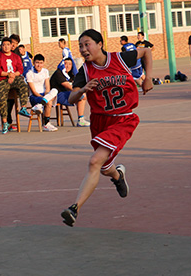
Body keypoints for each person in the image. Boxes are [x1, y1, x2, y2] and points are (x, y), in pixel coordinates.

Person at [60, 29, 153, 227]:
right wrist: (82, 90)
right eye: (80, 46)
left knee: (94, 161)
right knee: (103, 167)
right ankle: (118, 176)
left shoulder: (120, 58)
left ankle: (74, 208)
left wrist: (148, 77)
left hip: (123, 120)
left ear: (100, 44)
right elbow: (71, 98)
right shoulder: (85, 71)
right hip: (100, 122)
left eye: (87, 44)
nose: (83, 49)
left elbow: (146, 51)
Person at [0, 37, 32, 134]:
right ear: (1, 46)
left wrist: (13, 75)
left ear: (11, 46)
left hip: (14, 77)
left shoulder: (16, 57)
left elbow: (20, 69)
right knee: (2, 101)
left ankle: (23, 108)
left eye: (8, 45)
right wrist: (8, 74)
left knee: (23, 85)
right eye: (4, 45)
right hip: (2, 80)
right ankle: (5, 122)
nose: (6, 47)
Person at [49, 58, 90, 127]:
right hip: (57, 95)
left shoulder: (70, 74)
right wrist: (80, 91)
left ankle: (81, 119)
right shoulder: (58, 73)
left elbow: (76, 85)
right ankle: (80, 120)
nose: (68, 66)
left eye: (70, 64)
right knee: (82, 95)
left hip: (66, 93)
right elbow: (69, 87)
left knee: (82, 95)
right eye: (65, 64)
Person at [25, 54, 58, 132]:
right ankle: (46, 123)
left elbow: (47, 87)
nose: (39, 65)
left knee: (55, 90)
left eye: (41, 63)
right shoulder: (29, 73)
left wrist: (46, 95)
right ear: (33, 63)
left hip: (45, 95)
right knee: (49, 102)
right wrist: (43, 97)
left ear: (43, 63)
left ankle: (41, 104)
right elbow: (33, 91)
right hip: (35, 97)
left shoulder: (45, 71)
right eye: (37, 63)